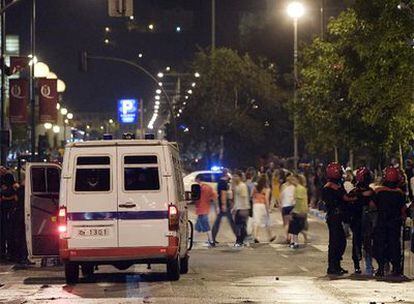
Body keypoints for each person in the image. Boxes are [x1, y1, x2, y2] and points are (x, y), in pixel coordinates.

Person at [322, 162, 356, 275]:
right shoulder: (333, 187)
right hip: (334, 217)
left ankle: (336, 265)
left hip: (334, 217)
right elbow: (345, 198)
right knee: (337, 242)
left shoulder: (330, 185)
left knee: (338, 241)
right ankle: (333, 266)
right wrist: (357, 196)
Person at [373, 166, 407, 277]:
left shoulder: (378, 191)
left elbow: (372, 205)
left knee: (381, 243)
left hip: (382, 221)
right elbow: (403, 209)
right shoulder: (400, 193)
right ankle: (396, 268)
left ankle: (381, 267)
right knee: (394, 244)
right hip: (395, 222)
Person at [347, 167, 375, 274]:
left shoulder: (355, 191)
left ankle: (358, 265)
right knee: (366, 243)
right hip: (362, 222)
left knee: (357, 242)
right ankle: (366, 264)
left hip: (357, 222)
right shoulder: (367, 192)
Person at [212, 169, 236, 244]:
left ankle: (213, 237)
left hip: (222, 204)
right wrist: (224, 205)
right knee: (231, 222)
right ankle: (239, 237)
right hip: (224, 205)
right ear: (226, 174)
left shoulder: (220, 182)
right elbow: (223, 193)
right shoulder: (223, 182)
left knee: (218, 222)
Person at [194, 175, 218, 247]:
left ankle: (211, 241)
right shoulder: (209, 187)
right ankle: (193, 240)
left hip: (200, 209)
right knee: (197, 226)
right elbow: (215, 196)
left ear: (198, 179)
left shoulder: (198, 188)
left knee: (205, 226)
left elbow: (195, 198)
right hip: (205, 209)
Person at [252, 174, 275, 243]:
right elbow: (266, 199)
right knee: (267, 221)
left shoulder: (255, 187)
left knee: (256, 221)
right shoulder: (267, 189)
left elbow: (252, 196)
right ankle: (270, 235)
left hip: (256, 205)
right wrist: (268, 209)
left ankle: (256, 236)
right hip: (262, 205)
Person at [0, 172, 18, 260]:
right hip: (9, 211)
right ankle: (9, 253)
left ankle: (6, 253)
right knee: (9, 232)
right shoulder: (14, 188)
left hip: (6, 211)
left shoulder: (9, 187)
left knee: (6, 233)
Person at [288, 174, 309, 249]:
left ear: (297, 180)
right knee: (296, 228)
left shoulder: (299, 188)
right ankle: (293, 242)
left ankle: (295, 243)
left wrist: (293, 211)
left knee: (295, 228)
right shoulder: (300, 188)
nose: (292, 181)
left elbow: (299, 201)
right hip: (301, 211)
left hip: (299, 211)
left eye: (293, 179)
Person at [232, 171, 251, 247]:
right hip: (238, 208)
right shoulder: (236, 186)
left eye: (236, 176)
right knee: (239, 225)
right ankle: (241, 240)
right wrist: (234, 208)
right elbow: (236, 199)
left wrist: (242, 209)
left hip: (243, 208)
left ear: (240, 177)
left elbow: (243, 198)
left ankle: (240, 240)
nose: (234, 178)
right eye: (234, 176)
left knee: (240, 225)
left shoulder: (242, 186)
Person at [280, 175, 296, 243]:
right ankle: (290, 237)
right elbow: (295, 198)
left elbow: (280, 197)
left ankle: (287, 237)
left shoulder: (283, 186)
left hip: (284, 206)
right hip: (291, 206)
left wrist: (280, 205)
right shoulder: (294, 187)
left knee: (286, 223)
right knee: (291, 223)